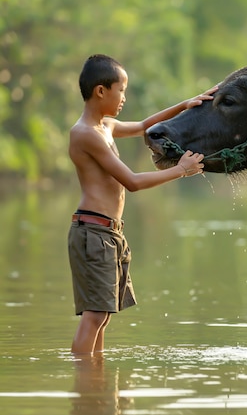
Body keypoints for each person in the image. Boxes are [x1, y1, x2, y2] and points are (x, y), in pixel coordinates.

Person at [68, 54, 217, 355]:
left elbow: (145, 125)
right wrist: (181, 170)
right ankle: (83, 386)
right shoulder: (85, 134)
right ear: (101, 91)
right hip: (93, 233)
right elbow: (132, 182)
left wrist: (185, 104)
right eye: (121, 89)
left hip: (109, 233)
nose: (124, 97)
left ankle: (97, 389)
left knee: (103, 317)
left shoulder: (105, 126)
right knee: (95, 316)